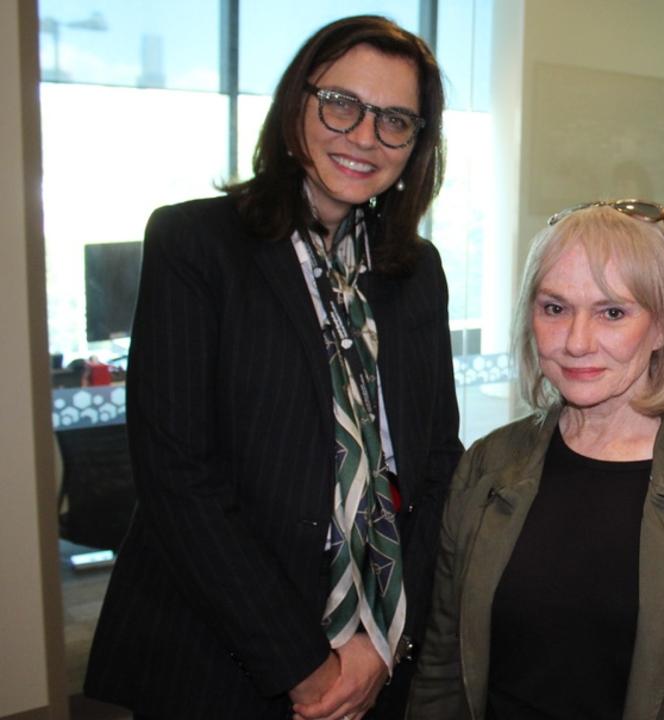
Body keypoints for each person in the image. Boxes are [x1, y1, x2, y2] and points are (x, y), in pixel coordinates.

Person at [83, 16, 461, 720]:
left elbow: (436, 459)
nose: (363, 136)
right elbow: (177, 478)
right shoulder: (196, 244)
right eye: (341, 104)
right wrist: (304, 670)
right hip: (225, 646)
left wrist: (383, 641)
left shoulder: (415, 270)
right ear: (298, 105)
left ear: (416, 144)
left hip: (377, 642)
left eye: (395, 121)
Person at [407, 201, 664, 719]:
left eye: (612, 312)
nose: (576, 342)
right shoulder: (488, 465)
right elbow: (442, 668)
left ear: (662, 327)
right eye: (554, 308)